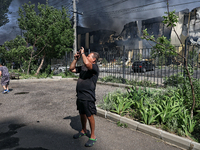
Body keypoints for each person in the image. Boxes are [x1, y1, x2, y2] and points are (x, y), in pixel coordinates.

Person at [69, 47, 99, 147]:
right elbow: (71, 69)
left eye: (88, 56)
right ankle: (83, 130)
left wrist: (82, 53)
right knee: (82, 114)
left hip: (88, 96)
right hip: (80, 95)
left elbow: (87, 63)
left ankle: (93, 136)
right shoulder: (83, 67)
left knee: (89, 115)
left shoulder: (94, 67)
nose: (86, 56)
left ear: (94, 59)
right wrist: (75, 59)